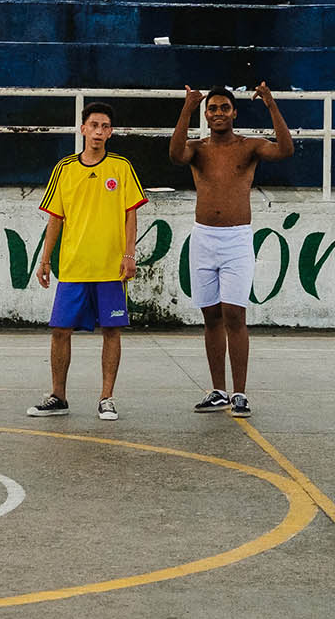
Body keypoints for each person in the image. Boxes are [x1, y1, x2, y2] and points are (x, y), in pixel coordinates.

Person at [169, 83, 294, 417]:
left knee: (235, 315)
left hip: (237, 239)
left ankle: (240, 392)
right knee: (210, 316)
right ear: (206, 114)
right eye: (212, 108)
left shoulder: (249, 146)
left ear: (234, 112)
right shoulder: (198, 148)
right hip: (203, 238)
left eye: (225, 107)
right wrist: (187, 107)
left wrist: (271, 104)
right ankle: (218, 391)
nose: (219, 113)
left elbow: (285, 150)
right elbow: (174, 154)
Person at [29, 102, 147, 422]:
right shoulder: (64, 168)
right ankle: (58, 396)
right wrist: (45, 260)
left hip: (110, 268)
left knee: (112, 330)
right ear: (82, 129)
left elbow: (130, 214)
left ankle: (106, 398)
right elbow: (55, 218)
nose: (98, 131)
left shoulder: (121, 167)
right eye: (93, 125)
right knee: (60, 330)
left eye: (104, 126)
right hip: (73, 266)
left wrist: (129, 254)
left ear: (111, 132)